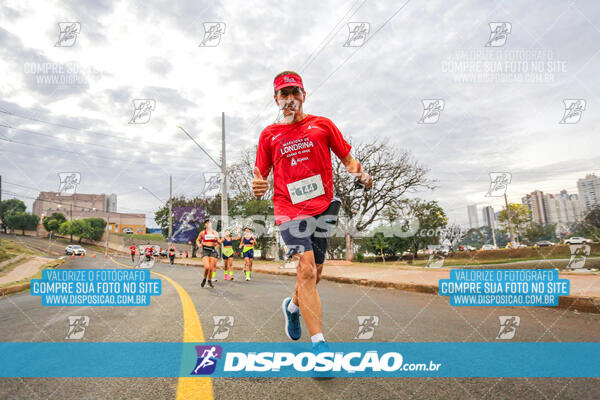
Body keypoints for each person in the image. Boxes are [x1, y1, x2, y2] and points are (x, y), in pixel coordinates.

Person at [252, 71, 372, 350]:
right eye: (284, 93)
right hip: (288, 207)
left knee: (316, 273)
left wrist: (362, 175)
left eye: (295, 92)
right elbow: (260, 172)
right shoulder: (269, 135)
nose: (290, 98)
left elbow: (347, 159)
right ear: (276, 99)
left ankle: (292, 307)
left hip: (323, 206)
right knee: (305, 269)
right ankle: (319, 345)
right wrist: (258, 184)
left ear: (304, 95)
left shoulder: (323, 125)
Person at [196, 219, 220, 288]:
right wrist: (199, 244)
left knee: (211, 268)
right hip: (205, 250)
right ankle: (204, 279)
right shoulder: (202, 233)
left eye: (209, 223)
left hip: (212, 250)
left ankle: (209, 281)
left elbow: (219, 242)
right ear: (205, 225)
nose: (208, 224)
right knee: (207, 267)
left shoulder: (215, 233)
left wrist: (217, 241)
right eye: (206, 223)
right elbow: (197, 240)